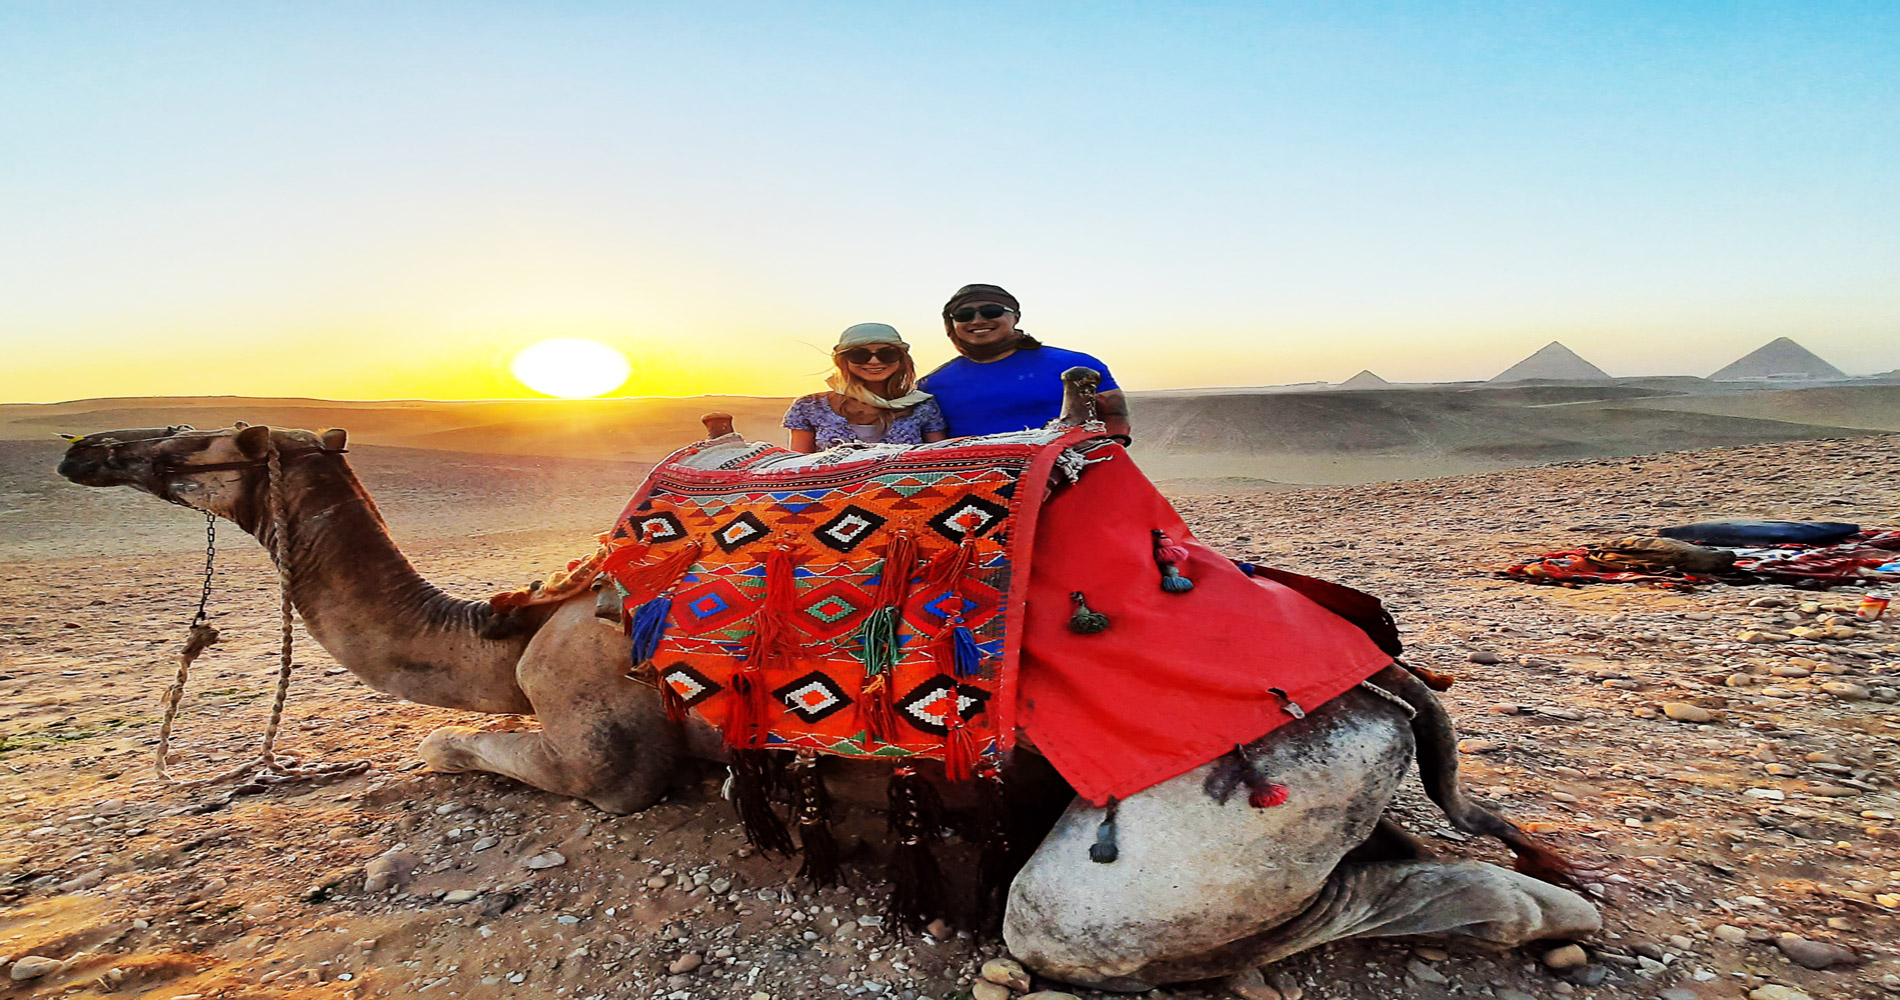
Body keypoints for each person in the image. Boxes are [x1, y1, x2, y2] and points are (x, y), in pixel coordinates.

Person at [917, 284, 1131, 440]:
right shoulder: (931, 384)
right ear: (951, 323)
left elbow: (1114, 418)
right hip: (970, 490)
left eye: (992, 311)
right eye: (964, 315)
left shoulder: (1076, 364)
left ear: (1015, 317)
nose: (978, 320)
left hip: (1068, 482)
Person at [783, 323, 949, 452]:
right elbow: (799, 468)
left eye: (887, 353)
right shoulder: (810, 407)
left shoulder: (922, 406)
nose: (874, 361)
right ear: (843, 360)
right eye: (859, 355)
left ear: (901, 359)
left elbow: (938, 460)